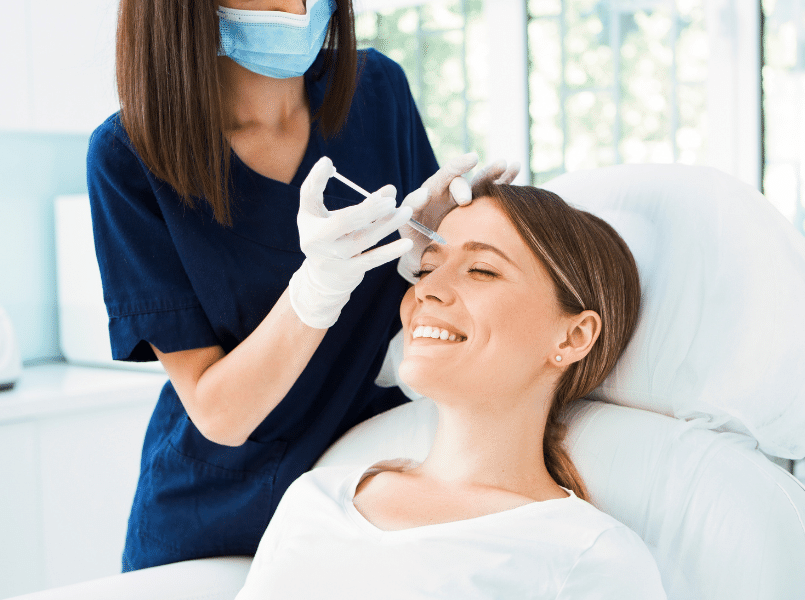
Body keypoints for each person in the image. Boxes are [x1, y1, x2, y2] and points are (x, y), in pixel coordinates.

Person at [86, 0, 517, 571]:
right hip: (216, 515)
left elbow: (423, 316)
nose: (296, 5)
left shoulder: (377, 91)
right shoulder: (129, 157)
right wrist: (313, 292)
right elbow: (219, 415)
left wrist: (440, 249)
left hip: (359, 489)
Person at [234, 182, 668, 598]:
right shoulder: (316, 497)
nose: (426, 289)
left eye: (481, 269)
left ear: (573, 337)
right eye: (426, 267)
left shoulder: (589, 555)